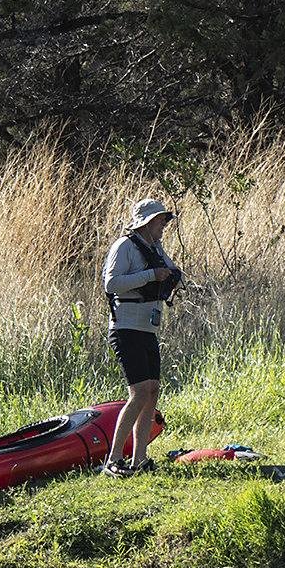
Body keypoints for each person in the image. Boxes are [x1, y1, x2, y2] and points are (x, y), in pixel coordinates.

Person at [100, 197, 183, 477]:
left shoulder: (155, 248)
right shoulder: (124, 246)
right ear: (146, 222)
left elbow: (168, 273)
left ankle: (139, 461)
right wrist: (150, 275)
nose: (163, 225)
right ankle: (112, 461)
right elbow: (111, 283)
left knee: (153, 391)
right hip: (125, 327)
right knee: (138, 394)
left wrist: (171, 276)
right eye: (160, 220)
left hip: (148, 328)